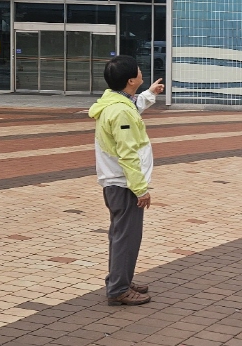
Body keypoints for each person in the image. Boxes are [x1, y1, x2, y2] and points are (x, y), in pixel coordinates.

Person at [89, 55, 165, 306]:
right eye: (139, 71)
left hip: (118, 183)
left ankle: (120, 279)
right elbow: (128, 154)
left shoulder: (114, 102)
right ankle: (119, 289)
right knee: (126, 238)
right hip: (124, 184)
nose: (141, 72)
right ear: (131, 80)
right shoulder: (121, 111)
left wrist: (150, 94)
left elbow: (132, 106)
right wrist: (141, 189)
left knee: (121, 235)